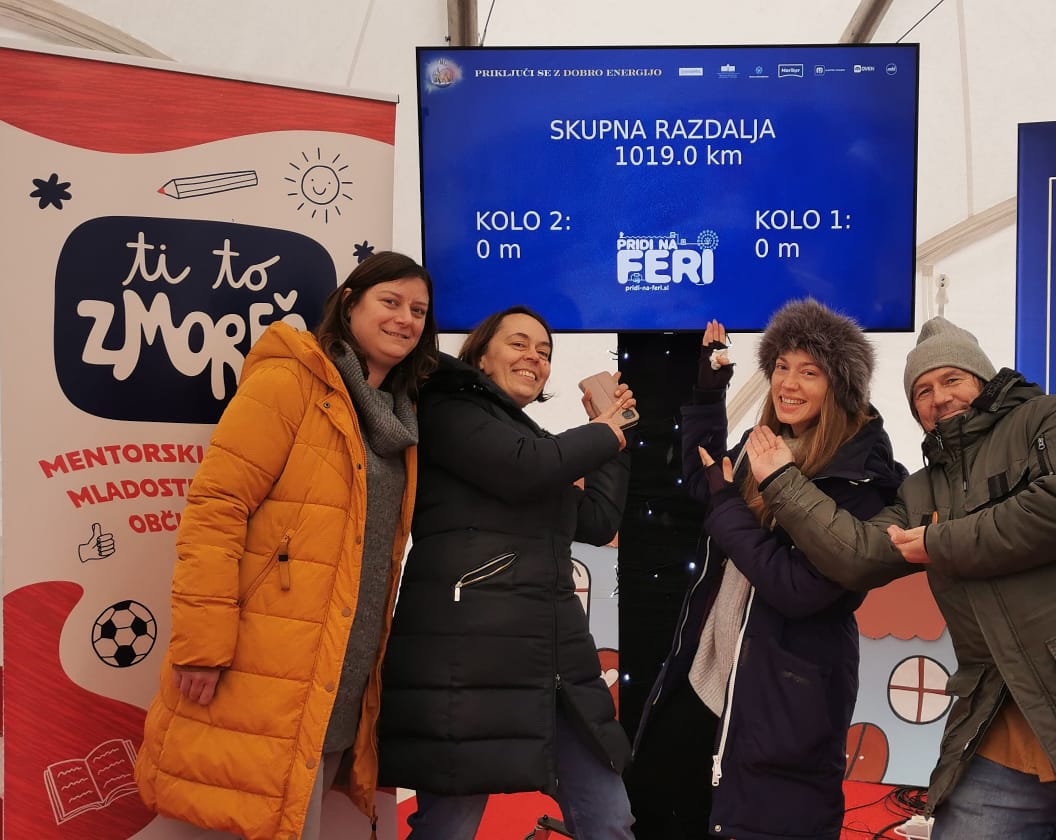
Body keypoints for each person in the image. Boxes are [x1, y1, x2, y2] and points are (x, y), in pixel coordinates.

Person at [745, 316, 1056, 840]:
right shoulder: (920, 491)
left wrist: (940, 541)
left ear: (983, 380)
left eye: (951, 379)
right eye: (922, 390)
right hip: (1004, 736)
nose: (939, 398)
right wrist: (782, 481)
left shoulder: (1049, 419)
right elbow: (857, 555)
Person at [135, 251, 440, 839]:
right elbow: (217, 509)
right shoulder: (290, 383)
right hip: (264, 662)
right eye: (391, 301)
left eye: (419, 311)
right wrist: (202, 643)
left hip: (339, 672)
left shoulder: (399, 417)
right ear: (349, 303)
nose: (405, 319)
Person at [626, 299, 907, 840]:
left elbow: (796, 587)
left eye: (810, 371)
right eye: (781, 366)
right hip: (706, 673)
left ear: (840, 387)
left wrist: (725, 502)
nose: (788, 383)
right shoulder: (765, 445)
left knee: (765, 824)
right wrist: (709, 393)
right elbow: (707, 481)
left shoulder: (862, 481)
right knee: (666, 811)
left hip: (784, 696)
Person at [378, 305, 638, 839]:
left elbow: (596, 519)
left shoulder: (536, 443)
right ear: (480, 354)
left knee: (609, 819)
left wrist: (613, 441)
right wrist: (602, 432)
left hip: (553, 661)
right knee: (449, 825)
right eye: (519, 344)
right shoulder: (447, 405)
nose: (534, 358)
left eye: (544, 352)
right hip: (467, 664)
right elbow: (524, 467)